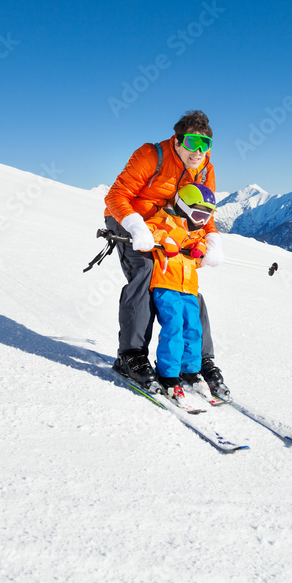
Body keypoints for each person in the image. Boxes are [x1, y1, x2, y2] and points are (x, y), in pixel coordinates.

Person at [104, 110, 228, 396]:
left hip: (173, 226)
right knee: (148, 273)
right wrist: (137, 227)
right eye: (193, 142)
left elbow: (205, 213)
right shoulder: (151, 155)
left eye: (205, 144)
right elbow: (115, 196)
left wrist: (212, 241)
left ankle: (198, 359)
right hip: (129, 219)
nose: (198, 151)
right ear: (178, 139)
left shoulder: (205, 168)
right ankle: (131, 354)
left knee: (185, 282)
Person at [146, 183, 216, 401]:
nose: (201, 221)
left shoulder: (193, 230)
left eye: (206, 217)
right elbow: (148, 232)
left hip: (189, 288)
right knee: (174, 327)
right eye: (197, 214)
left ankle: (191, 370)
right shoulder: (164, 221)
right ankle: (168, 375)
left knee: (193, 329)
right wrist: (166, 240)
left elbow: (200, 242)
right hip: (167, 284)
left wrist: (201, 248)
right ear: (182, 207)